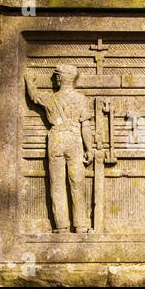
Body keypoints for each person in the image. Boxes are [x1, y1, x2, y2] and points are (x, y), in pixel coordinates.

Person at [25, 65, 93, 234]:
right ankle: (81, 225)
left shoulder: (51, 99)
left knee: (57, 184)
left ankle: (61, 226)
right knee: (77, 183)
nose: (55, 79)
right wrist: (89, 148)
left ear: (61, 78)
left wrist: (29, 80)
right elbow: (85, 126)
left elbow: (33, 96)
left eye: (57, 76)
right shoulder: (81, 99)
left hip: (56, 139)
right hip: (74, 139)